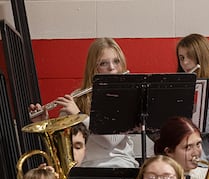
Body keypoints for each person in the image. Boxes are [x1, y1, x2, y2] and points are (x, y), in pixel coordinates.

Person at [37, 38, 137, 168]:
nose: (112, 68)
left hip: (119, 165)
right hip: (86, 166)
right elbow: (60, 144)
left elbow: (111, 141)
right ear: (93, 69)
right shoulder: (79, 97)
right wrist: (45, 123)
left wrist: (79, 115)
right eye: (103, 63)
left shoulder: (128, 98)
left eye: (116, 61)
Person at [154, 115, 206, 179]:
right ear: (169, 151)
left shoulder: (207, 176)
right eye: (188, 147)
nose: (195, 153)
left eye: (198, 144)